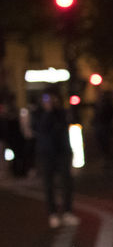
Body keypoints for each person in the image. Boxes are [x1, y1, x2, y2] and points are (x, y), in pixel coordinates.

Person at [33, 92, 78, 228]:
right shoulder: (38, 113)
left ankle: (67, 211)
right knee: (49, 184)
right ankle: (52, 213)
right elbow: (40, 128)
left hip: (62, 152)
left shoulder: (62, 113)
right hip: (46, 153)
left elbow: (71, 122)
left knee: (67, 183)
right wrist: (48, 112)